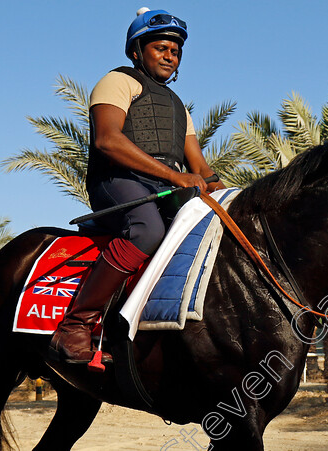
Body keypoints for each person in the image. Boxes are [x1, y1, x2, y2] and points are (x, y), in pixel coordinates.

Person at [50, 8, 226, 366]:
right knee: (147, 231)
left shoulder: (179, 106)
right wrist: (176, 177)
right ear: (136, 51)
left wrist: (231, 197)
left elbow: (202, 169)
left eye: (175, 51)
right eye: (161, 48)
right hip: (117, 181)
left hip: (164, 187)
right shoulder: (116, 82)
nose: (170, 56)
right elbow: (107, 141)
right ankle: (74, 325)